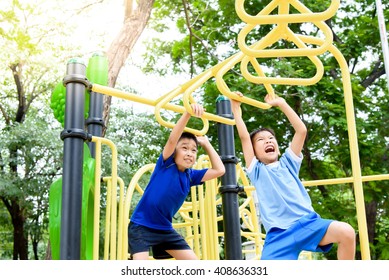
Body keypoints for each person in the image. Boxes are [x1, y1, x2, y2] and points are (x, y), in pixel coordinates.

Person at [230, 91, 356, 260]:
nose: (267, 141)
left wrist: (282, 103)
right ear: (254, 153)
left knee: (346, 232)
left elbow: (301, 130)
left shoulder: (288, 163)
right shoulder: (257, 170)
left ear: (277, 146)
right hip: (278, 236)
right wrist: (236, 110)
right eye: (260, 140)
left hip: (306, 224)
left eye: (271, 138)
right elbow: (244, 138)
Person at [128, 103, 225, 260]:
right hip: (141, 226)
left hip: (165, 230)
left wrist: (206, 144)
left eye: (193, 150)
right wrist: (188, 113)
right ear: (175, 152)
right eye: (184, 148)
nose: (190, 153)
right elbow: (173, 139)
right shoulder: (166, 164)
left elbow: (219, 170)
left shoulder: (190, 176)